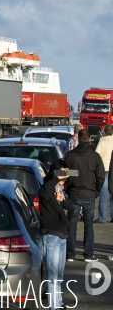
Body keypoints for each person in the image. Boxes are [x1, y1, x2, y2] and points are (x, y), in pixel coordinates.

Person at [64, 129, 105, 262]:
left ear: (78, 138)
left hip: (74, 193)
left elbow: (65, 174)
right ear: (89, 139)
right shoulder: (95, 156)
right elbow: (100, 177)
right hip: (89, 193)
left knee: (71, 224)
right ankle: (88, 254)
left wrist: (68, 187)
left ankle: (70, 254)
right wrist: (96, 191)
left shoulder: (70, 156)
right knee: (89, 226)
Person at [39, 159, 74, 310]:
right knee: (53, 274)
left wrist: (63, 202)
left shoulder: (61, 190)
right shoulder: (48, 187)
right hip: (52, 235)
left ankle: (58, 302)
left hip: (62, 235)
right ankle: (54, 305)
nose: (65, 176)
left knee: (58, 274)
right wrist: (56, 176)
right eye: (62, 173)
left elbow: (72, 210)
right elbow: (43, 194)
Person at [95, 124, 113, 223]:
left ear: (105, 131)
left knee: (103, 193)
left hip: (104, 169)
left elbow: (97, 155)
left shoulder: (102, 141)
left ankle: (102, 218)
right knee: (112, 193)